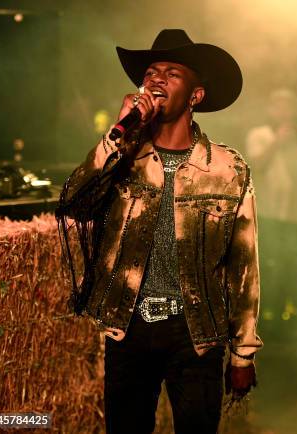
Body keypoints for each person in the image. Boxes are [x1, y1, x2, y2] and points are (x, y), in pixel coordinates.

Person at [56, 29, 261, 434]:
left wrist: (244, 354)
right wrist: (120, 131)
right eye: (151, 72)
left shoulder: (227, 168)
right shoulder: (122, 156)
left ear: (195, 96)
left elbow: (244, 265)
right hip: (127, 326)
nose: (156, 79)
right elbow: (75, 205)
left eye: (171, 72)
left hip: (196, 331)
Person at [245, 88, 297, 325]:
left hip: (295, 214)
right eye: (280, 106)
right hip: (267, 212)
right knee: (268, 265)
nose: (286, 111)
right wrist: (278, 141)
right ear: (271, 110)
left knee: (292, 265)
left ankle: (288, 318)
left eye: (290, 106)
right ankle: (265, 316)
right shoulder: (259, 134)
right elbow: (256, 166)